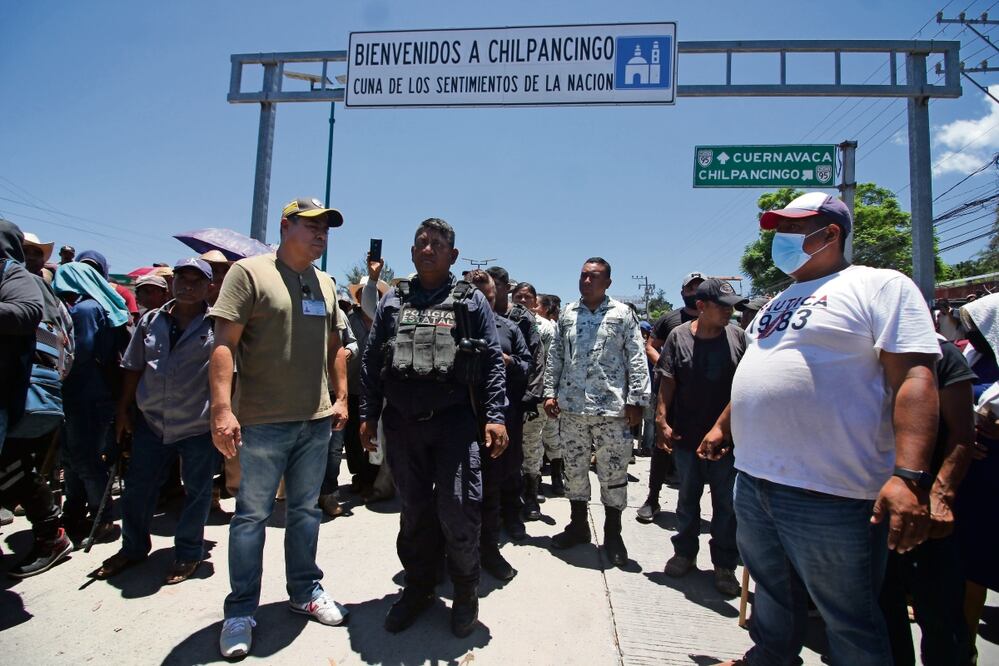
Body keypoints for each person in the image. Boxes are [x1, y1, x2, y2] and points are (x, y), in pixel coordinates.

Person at [712, 192, 941, 666]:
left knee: (849, 619)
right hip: (756, 481)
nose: (781, 240)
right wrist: (723, 426)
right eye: (778, 230)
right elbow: (763, 369)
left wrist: (910, 476)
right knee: (771, 599)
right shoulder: (779, 300)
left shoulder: (879, 286)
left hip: (832, 493)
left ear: (831, 233)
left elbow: (914, 378)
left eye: (793, 229)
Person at [209, 197, 350, 658]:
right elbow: (224, 345)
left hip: (314, 422)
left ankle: (305, 590)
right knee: (251, 518)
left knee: (306, 512)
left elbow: (336, 346)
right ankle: (240, 611)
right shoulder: (248, 273)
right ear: (286, 225)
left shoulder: (326, 284)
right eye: (311, 226)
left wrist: (341, 397)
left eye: (325, 228)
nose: (320, 234)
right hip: (261, 423)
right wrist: (222, 409)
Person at [359, 218, 507, 638]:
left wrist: (495, 416)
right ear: (411, 252)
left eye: (437, 243)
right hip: (403, 425)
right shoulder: (392, 302)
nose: (428, 249)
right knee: (414, 512)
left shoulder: (471, 301)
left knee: (459, 511)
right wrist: (368, 415)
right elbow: (371, 363)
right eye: (421, 242)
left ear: (453, 256)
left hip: (453, 425)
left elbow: (493, 362)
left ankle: (464, 592)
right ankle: (419, 586)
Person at [92, 258, 221, 584]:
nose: (187, 285)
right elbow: (134, 368)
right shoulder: (150, 321)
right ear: (172, 283)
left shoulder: (218, 325)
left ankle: (189, 552)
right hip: (151, 421)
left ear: (209, 287)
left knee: (198, 492)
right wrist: (123, 411)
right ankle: (133, 548)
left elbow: (226, 376)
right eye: (182, 278)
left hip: (198, 423)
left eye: (196, 280)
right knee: (138, 489)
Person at [543, 257, 650, 567]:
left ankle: (613, 533)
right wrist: (550, 392)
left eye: (594, 277)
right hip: (573, 409)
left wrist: (637, 400)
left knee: (613, 473)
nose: (587, 281)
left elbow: (636, 357)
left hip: (611, 410)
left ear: (607, 283)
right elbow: (556, 357)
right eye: (583, 276)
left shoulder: (622, 314)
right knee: (574, 470)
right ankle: (578, 526)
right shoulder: (567, 315)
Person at [879, 335, 977, 665]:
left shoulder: (943, 355)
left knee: (940, 616)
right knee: (881, 614)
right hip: (870, 508)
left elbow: (962, 435)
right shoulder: (858, 355)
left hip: (924, 510)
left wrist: (941, 496)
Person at [655, 278, 747, 598]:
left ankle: (724, 566)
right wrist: (661, 418)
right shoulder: (678, 337)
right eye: (722, 306)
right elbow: (667, 379)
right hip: (686, 436)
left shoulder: (739, 338)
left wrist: (724, 429)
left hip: (727, 442)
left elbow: (747, 388)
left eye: (731, 306)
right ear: (701, 307)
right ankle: (684, 553)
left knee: (726, 506)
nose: (729, 312)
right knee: (686, 501)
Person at [52, 260, 131, 549]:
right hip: (95, 394)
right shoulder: (100, 305)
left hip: (85, 393)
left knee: (83, 459)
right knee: (75, 459)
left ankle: (103, 517)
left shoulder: (85, 310)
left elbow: (81, 352)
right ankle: (77, 512)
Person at [469, 270, 531, 580]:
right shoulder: (453, 324)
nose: (482, 299)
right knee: (454, 493)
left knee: (491, 489)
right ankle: (451, 553)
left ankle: (489, 551)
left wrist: (508, 362)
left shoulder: (509, 329)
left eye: (487, 295)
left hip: (497, 421)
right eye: (475, 293)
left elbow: (527, 364)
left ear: (495, 297)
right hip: (458, 419)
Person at [636, 271, 704, 524]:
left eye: (700, 288)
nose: (695, 292)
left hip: (704, 398)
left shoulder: (718, 319)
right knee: (662, 446)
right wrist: (666, 369)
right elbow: (650, 346)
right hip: (670, 392)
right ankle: (652, 499)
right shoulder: (670, 319)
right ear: (683, 292)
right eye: (691, 288)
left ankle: (689, 506)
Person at [954, 297, 999, 661]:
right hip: (972, 477)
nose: (969, 333)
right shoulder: (973, 359)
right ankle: (963, 648)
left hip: (993, 473)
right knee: (970, 567)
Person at [486, 266, 542, 540]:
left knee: (510, 462)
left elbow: (533, 360)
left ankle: (511, 513)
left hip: (512, 402)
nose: (490, 293)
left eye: (494, 287)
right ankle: (489, 516)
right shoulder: (470, 318)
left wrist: (531, 395)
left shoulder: (516, 322)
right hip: (478, 405)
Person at [512, 281, 563, 518]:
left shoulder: (546, 328)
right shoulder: (503, 321)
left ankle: (532, 496)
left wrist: (547, 394)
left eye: (527, 297)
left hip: (535, 396)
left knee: (532, 446)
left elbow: (551, 362)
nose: (522, 301)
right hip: (509, 395)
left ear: (535, 301)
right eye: (518, 297)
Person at [76, 250, 139, 324]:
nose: (89, 271)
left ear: (103, 271)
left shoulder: (118, 291)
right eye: (84, 268)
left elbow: (131, 317)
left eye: (94, 268)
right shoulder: (69, 291)